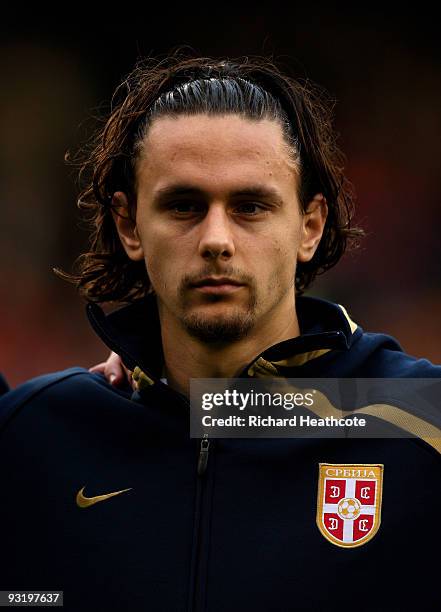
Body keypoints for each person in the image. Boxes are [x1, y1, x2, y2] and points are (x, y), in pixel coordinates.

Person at [0, 54, 439, 612]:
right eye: (183, 206)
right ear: (129, 225)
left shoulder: (422, 422)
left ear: (310, 226)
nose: (216, 239)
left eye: (250, 206)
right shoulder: (33, 436)